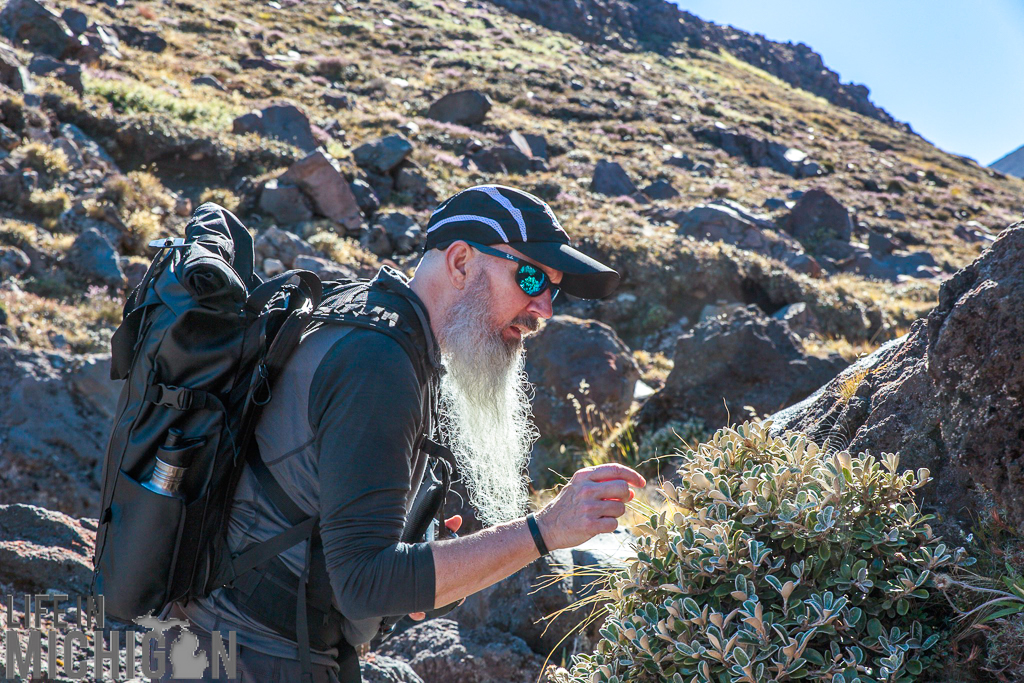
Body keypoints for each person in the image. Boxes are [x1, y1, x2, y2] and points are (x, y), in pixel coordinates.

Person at [157, 184, 645, 682]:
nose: (544, 309)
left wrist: (422, 562)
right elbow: (366, 583)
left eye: (552, 288)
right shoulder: (379, 365)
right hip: (255, 660)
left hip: (225, 643)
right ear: (460, 262)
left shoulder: (370, 319)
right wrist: (548, 529)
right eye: (529, 277)